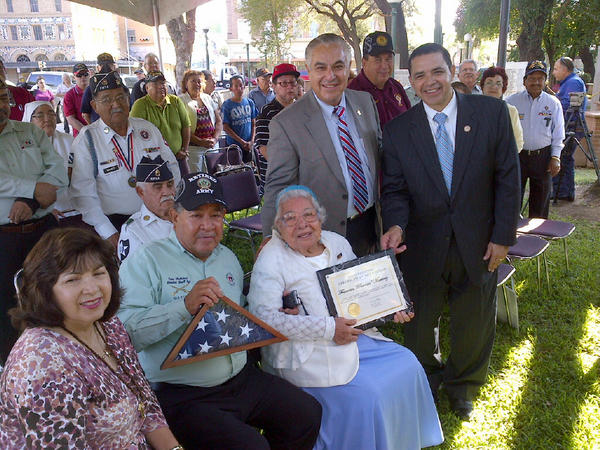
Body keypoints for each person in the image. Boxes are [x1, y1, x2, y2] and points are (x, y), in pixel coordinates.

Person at [118, 172, 322, 450]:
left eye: (215, 215)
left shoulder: (227, 258)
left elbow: (235, 315)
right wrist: (183, 307)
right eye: (196, 215)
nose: (207, 225)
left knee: (306, 413)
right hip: (183, 393)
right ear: (175, 216)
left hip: (241, 378)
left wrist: (272, 312)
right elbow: (125, 336)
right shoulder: (145, 262)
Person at [380, 43, 520, 420]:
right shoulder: (397, 131)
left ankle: (463, 387)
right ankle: (425, 380)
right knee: (421, 326)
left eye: (437, 72)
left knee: (473, 319)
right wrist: (394, 224)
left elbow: (509, 177)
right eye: (420, 75)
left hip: (480, 242)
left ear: (452, 69)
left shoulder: (492, 113)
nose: (430, 82)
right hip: (423, 246)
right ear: (410, 81)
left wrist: (504, 235)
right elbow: (394, 190)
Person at [248, 186, 444, 449]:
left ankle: (403, 442)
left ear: (321, 218)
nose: (302, 225)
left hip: (352, 337)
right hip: (307, 352)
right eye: (290, 218)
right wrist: (329, 329)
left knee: (408, 363)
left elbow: (359, 292)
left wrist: (390, 304)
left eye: (309, 215)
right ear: (278, 226)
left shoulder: (335, 241)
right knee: (368, 394)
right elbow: (265, 320)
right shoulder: (272, 258)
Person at [0, 228, 181, 449]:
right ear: (45, 290)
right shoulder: (41, 364)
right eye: (73, 280)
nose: (92, 289)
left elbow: (145, 401)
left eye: (98, 273)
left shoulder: (107, 324)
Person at [262, 33, 381, 257]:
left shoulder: (364, 102)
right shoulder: (286, 123)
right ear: (308, 70)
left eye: (338, 66)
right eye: (320, 68)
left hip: (373, 229)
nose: (330, 76)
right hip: (323, 240)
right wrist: (270, 242)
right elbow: (277, 188)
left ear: (348, 67)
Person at [69, 71, 180, 248]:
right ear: (94, 106)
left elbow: (172, 168)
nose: (115, 104)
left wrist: (171, 206)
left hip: (158, 219)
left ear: (128, 99)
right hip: (115, 224)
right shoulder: (87, 139)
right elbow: (83, 194)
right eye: (106, 100)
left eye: (120, 97)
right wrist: (107, 231)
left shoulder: (147, 129)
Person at [0, 79, 68, 365]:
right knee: (6, 313)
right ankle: (13, 373)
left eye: (3, 97)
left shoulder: (28, 131)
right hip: (3, 240)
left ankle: (63, 364)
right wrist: (31, 190)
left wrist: (29, 202)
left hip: (42, 231)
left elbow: (57, 172)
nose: (1, 105)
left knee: (57, 300)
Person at [506, 60, 564, 218]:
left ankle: (537, 235)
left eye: (540, 78)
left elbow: (558, 133)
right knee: (512, 196)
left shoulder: (553, 103)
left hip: (543, 157)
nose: (536, 82)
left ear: (545, 81)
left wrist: (555, 157)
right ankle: (511, 233)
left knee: (540, 198)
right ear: (524, 81)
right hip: (518, 156)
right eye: (532, 78)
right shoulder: (511, 101)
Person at [23, 101, 80, 224]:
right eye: (40, 115)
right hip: (41, 216)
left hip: (75, 210)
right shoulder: (22, 147)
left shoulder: (70, 141)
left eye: (51, 114)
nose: (47, 119)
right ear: (29, 121)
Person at [131, 70, 191, 176]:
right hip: (154, 162)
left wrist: (184, 149)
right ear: (147, 88)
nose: (161, 86)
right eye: (155, 84)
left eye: (163, 83)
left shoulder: (175, 101)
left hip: (179, 157)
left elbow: (186, 126)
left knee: (186, 188)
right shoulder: (140, 105)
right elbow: (134, 133)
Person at [118, 155, 175, 262]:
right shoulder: (134, 230)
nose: (167, 192)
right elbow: (133, 276)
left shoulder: (188, 215)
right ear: (140, 191)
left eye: (170, 184)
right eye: (158, 186)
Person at [348, 31, 411, 126]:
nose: (384, 66)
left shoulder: (396, 87)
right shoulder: (352, 93)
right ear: (364, 63)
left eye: (388, 59)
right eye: (378, 60)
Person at [254, 63, 300, 195]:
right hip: (276, 179)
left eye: (293, 82)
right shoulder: (267, 112)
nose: (290, 87)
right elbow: (263, 148)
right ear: (273, 86)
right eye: (284, 83)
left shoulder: (301, 109)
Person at [552, 56, 587, 202]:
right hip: (569, 126)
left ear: (565, 69)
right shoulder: (570, 82)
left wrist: (554, 101)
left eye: (556, 69)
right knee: (565, 158)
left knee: (563, 158)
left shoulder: (573, 82)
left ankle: (563, 192)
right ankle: (564, 192)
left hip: (571, 127)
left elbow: (568, 106)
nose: (554, 72)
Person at [179, 69, 223, 172]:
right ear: (186, 84)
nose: (197, 84)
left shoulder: (207, 98)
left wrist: (215, 139)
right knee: (199, 181)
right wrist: (200, 142)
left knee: (214, 177)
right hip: (194, 150)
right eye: (193, 81)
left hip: (212, 147)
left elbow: (219, 121)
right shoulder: (181, 100)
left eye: (199, 81)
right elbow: (182, 128)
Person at [480, 66, 524, 151]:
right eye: (489, 82)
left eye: (498, 83)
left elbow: (518, 142)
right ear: (482, 86)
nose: (494, 86)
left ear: (503, 88)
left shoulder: (511, 111)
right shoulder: (474, 109)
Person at [81, 53, 130, 125]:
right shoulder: (91, 88)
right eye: (102, 65)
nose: (106, 67)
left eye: (109, 64)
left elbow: (129, 107)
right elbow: (85, 114)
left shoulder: (121, 86)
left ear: (113, 67)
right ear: (98, 68)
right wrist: (95, 130)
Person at [221, 75, 258, 163]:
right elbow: (226, 127)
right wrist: (242, 142)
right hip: (234, 146)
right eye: (236, 86)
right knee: (237, 171)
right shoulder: (227, 105)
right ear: (231, 88)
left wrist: (252, 140)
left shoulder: (250, 102)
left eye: (241, 85)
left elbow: (253, 123)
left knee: (251, 169)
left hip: (249, 145)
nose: (239, 88)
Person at [63, 63, 90, 137]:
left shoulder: (96, 92)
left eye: (85, 74)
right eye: (79, 75)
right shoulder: (69, 95)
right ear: (74, 77)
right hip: (81, 136)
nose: (83, 77)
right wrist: (87, 133)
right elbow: (70, 119)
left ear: (89, 75)